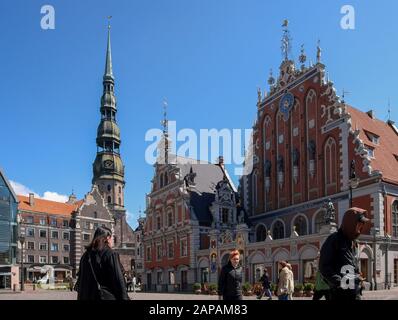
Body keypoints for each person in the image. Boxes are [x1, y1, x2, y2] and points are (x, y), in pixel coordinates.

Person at [319, 207, 370, 301]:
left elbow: (350, 265)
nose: (360, 228)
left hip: (354, 293)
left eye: (361, 225)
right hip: (340, 295)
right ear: (350, 223)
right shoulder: (334, 240)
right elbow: (324, 267)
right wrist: (340, 283)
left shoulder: (351, 242)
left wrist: (358, 276)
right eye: (358, 225)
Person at [76, 226, 129, 300]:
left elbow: (80, 281)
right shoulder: (110, 254)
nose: (113, 239)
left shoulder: (85, 255)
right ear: (107, 238)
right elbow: (118, 280)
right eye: (112, 237)